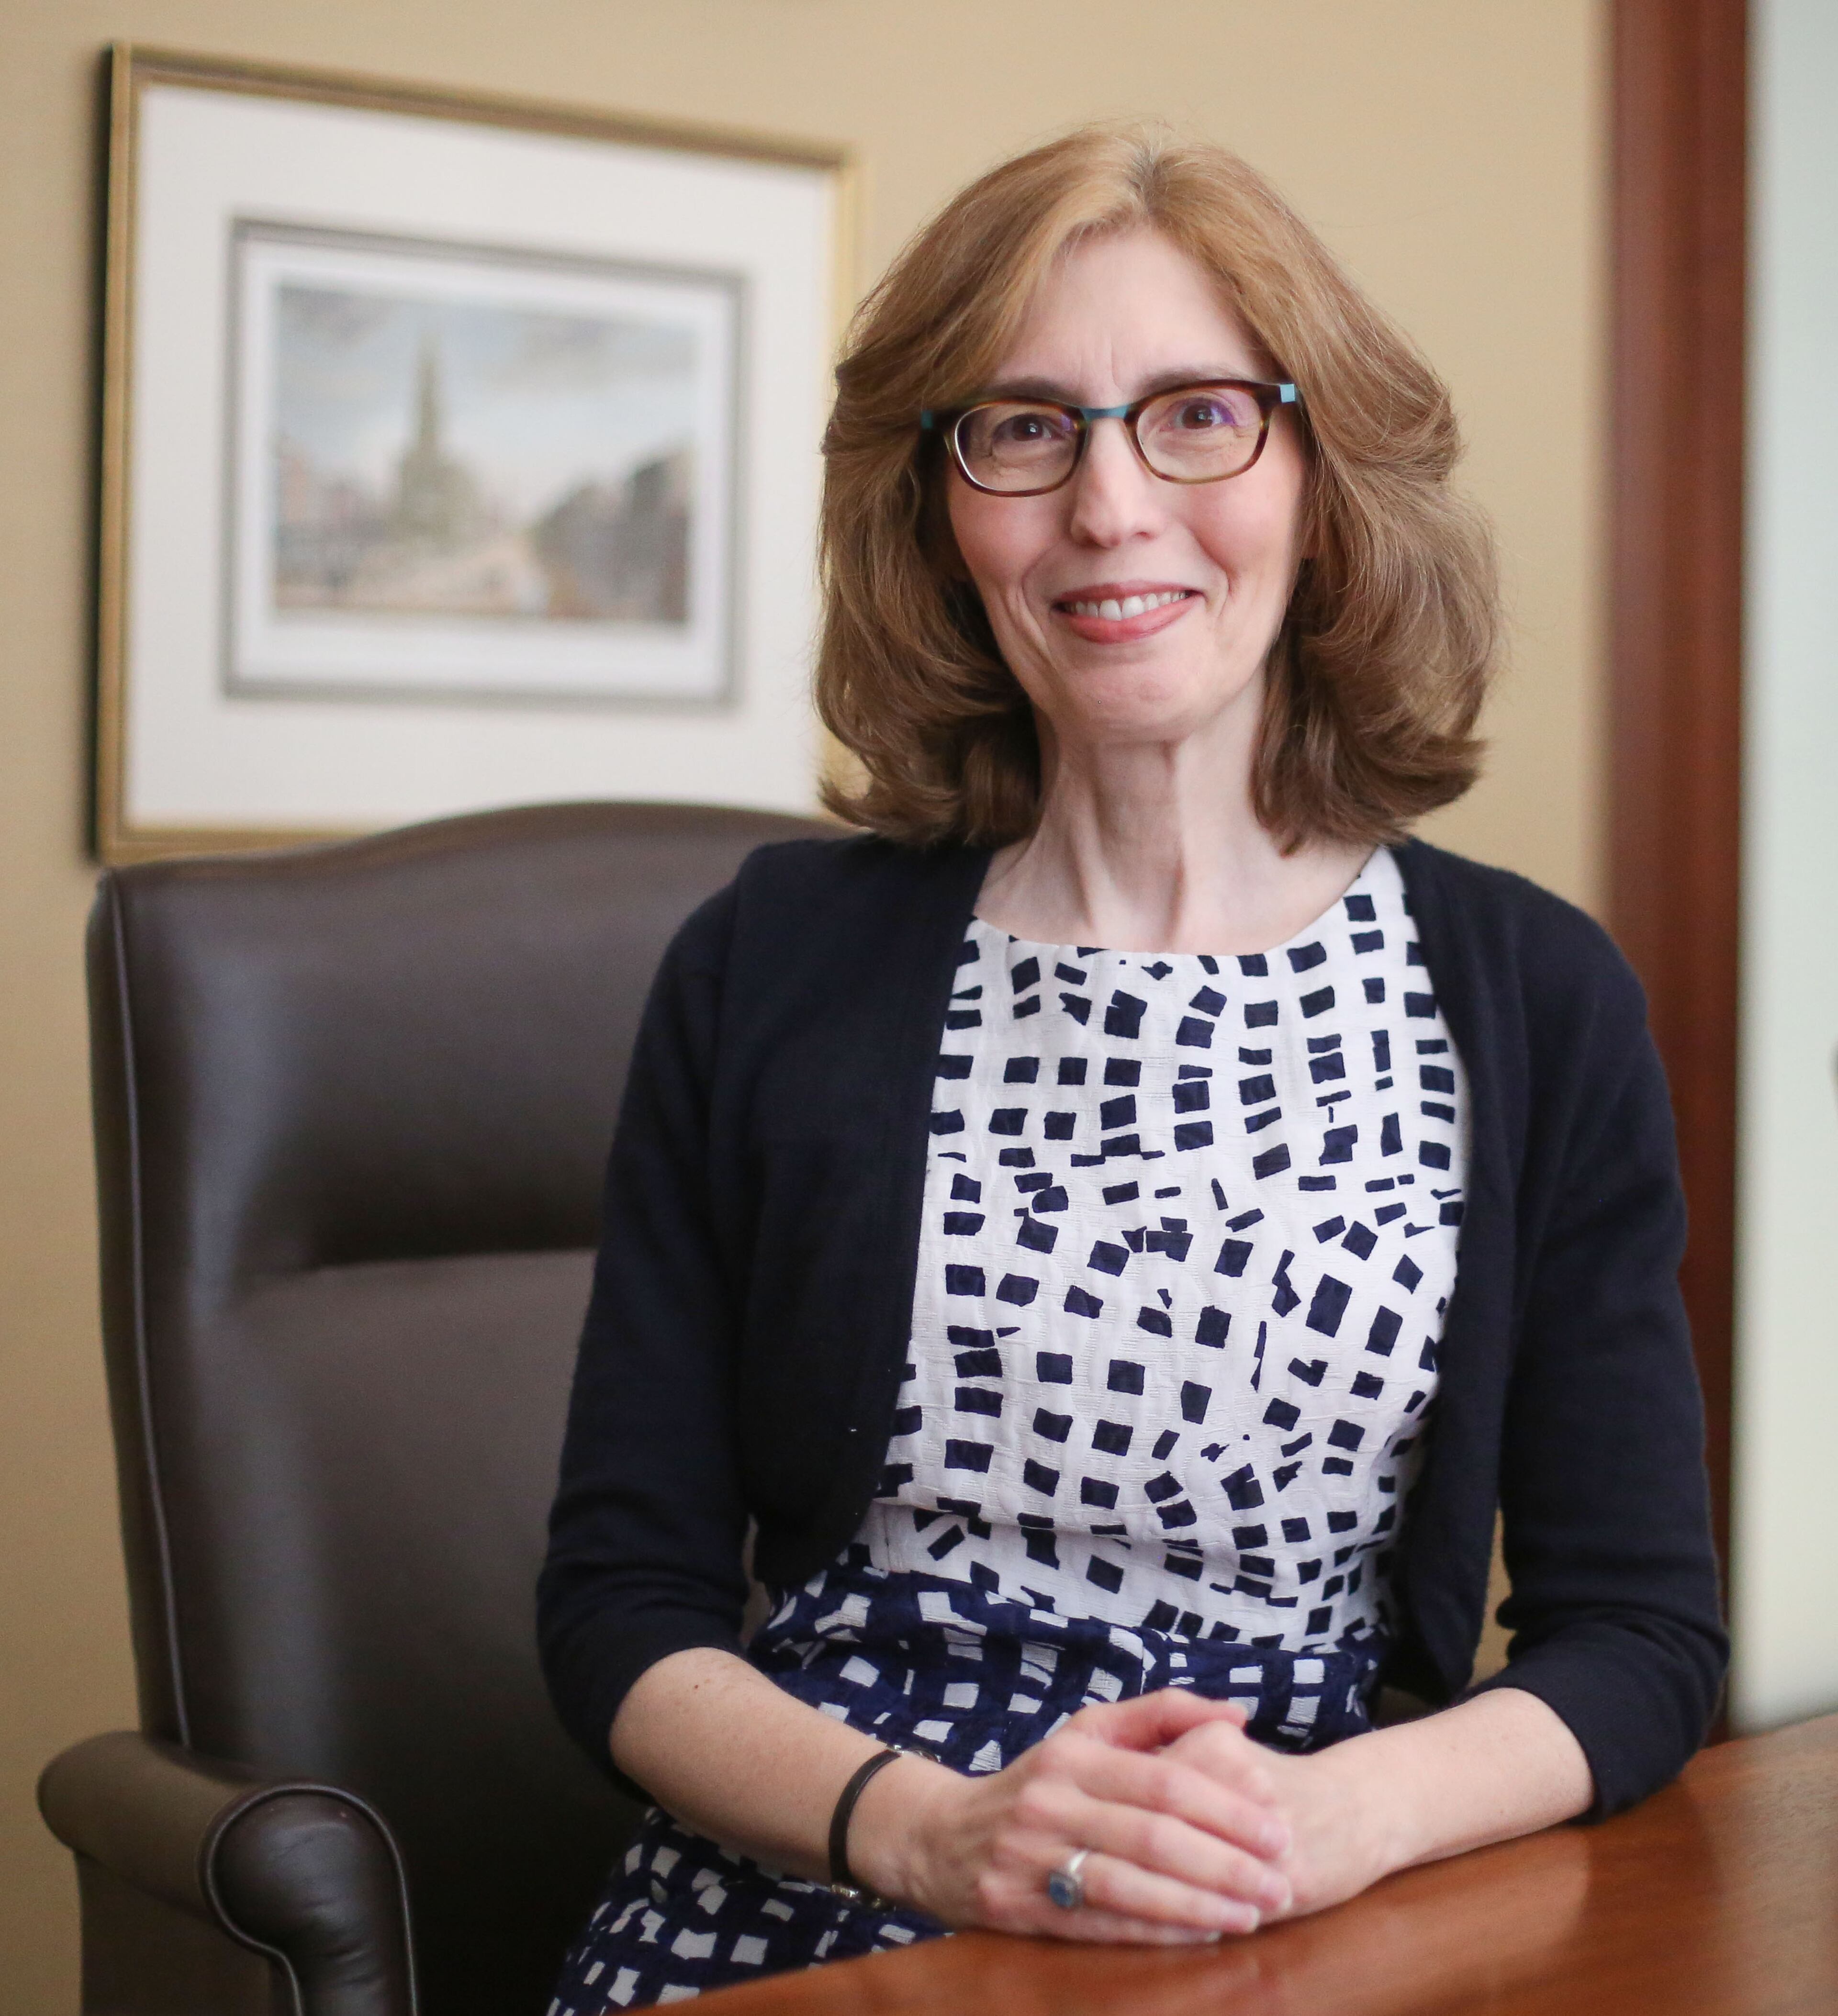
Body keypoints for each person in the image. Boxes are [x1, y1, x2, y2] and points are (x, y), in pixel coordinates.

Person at [538, 125, 1726, 2011]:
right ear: (942, 506)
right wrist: (933, 1829)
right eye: (1022, 429)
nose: (1108, 507)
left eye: (1195, 418)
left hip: (1296, 1914)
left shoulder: (1533, 995)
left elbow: (1642, 1640)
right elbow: (622, 1610)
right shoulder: (769, 959)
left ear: (1321, 476)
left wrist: (1344, 1818)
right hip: (819, 1907)